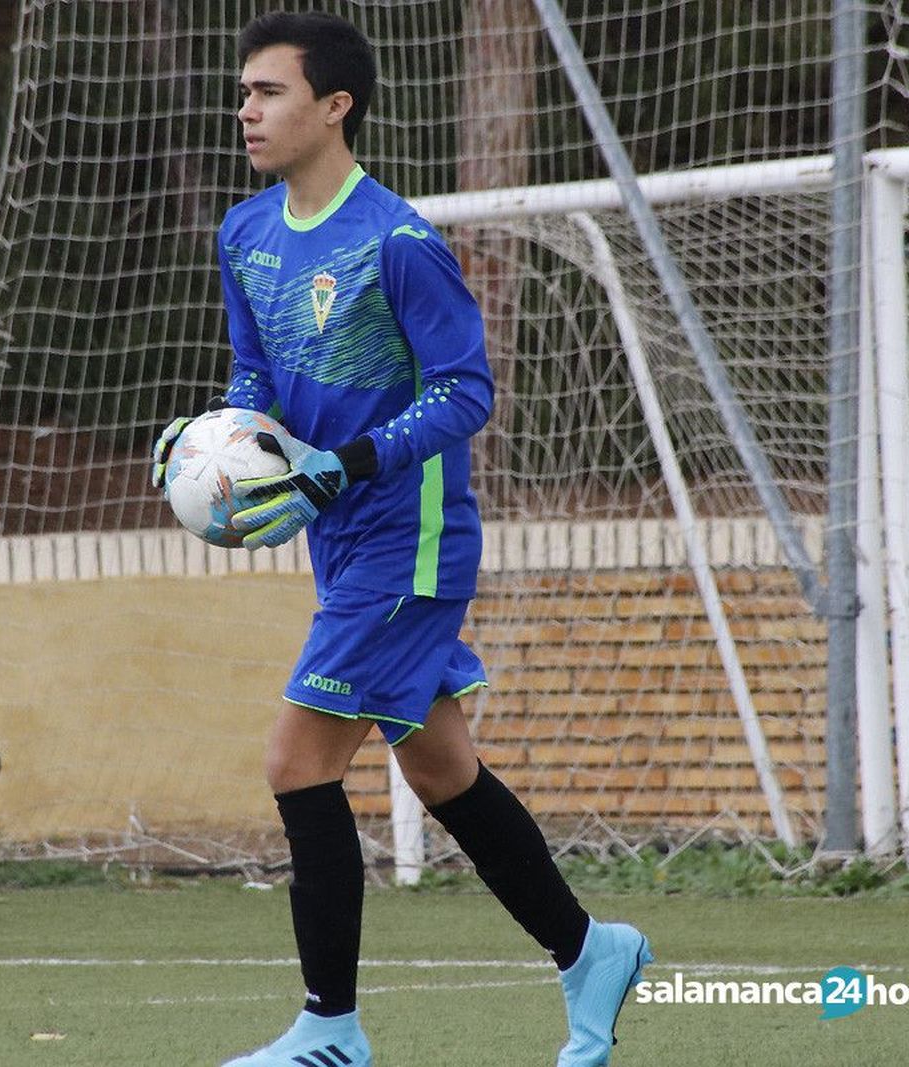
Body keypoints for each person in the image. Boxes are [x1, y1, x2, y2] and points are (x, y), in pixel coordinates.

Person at [151, 12, 652, 1066]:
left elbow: (466, 390)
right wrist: (218, 443)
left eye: (270, 92)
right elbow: (256, 377)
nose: (246, 109)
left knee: (296, 761)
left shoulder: (396, 241)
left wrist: (353, 461)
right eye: (243, 92)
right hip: (336, 538)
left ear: (334, 106)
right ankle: (589, 950)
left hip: (408, 536)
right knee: (440, 769)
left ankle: (329, 1030)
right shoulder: (243, 234)